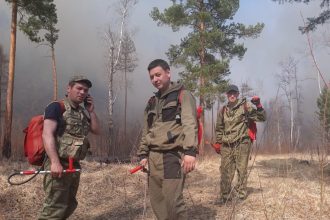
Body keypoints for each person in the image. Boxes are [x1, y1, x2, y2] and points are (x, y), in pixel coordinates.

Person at [137, 59, 198, 220]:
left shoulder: (183, 95)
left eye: (158, 74)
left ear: (168, 73)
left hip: (172, 156)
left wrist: (190, 151)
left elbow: (190, 123)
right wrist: (143, 154)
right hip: (153, 158)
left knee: (172, 203)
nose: (155, 79)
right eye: (152, 77)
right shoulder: (151, 102)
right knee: (158, 202)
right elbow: (147, 131)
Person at [39, 75, 100, 219]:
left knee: (69, 204)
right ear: (69, 88)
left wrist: (91, 111)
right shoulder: (56, 107)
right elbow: (47, 134)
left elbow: (97, 131)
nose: (82, 92)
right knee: (55, 207)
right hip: (58, 163)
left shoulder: (81, 112)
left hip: (74, 165)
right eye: (79, 88)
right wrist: (55, 162)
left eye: (85, 90)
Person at [214, 84, 266, 203]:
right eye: (229, 93)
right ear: (227, 95)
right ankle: (225, 197)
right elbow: (219, 128)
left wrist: (258, 106)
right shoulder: (223, 110)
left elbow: (261, 118)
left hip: (242, 143)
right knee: (225, 171)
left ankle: (240, 195)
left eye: (234, 93)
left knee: (241, 169)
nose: (232, 95)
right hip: (227, 144)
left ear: (237, 94)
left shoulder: (245, 106)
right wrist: (218, 142)